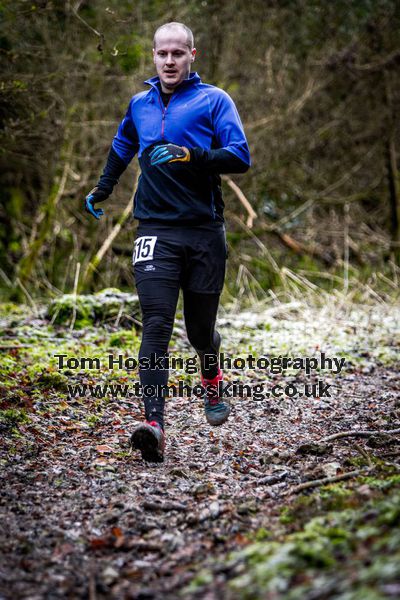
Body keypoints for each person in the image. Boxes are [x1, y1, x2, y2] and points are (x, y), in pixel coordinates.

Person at [85, 22, 251, 462]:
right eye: (163, 54)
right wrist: (103, 188)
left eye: (179, 53)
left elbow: (240, 156)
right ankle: (154, 424)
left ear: (192, 55)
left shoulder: (214, 100)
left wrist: (191, 155)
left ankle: (211, 377)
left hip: (203, 231)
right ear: (153, 56)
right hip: (154, 229)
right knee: (156, 322)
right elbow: (123, 145)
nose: (170, 61)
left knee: (199, 332)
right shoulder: (139, 103)